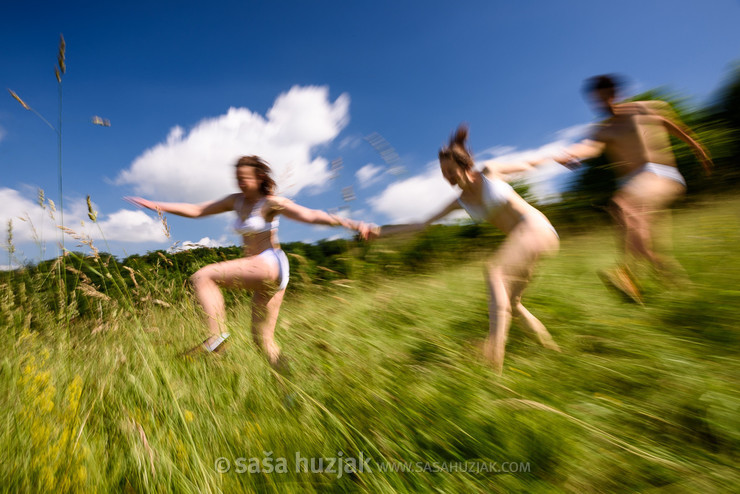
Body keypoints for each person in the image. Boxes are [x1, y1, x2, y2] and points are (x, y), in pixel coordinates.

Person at [126, 155, 373, 364]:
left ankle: (217, 336)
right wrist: (158, 205)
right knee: (262, 340)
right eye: (238, 179)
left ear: (259, 178)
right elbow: (198, 210)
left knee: (203, 276)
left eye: (246, 178)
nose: (241, 183)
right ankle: (290, 394)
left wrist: (353, 224)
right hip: (267, 271)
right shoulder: (236, 201)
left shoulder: (271, 202)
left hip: (270, 262)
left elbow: (310, 216)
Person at [377, 125, 560, 375]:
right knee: (514, 304)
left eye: (448, 170)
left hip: (537, 228)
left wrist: (560, 157)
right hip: (525, 243)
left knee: (494, 270)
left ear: (464, 164)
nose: (446, 177)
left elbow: (528, 164)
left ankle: (494, 355)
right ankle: (554, 353)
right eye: (442, 173)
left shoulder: (490, 172)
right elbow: (421, 224)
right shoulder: (460, 201)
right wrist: (378, 232)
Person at [533, 74, 713, 302]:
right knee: (645, 244)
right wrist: (571, 154)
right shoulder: (604, 130)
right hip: (634, 184)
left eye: (606, 97)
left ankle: (628, 274)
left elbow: (669, 124)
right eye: (597, 100)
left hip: (660, 173)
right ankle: (677, 289)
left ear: (615, 93)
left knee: (621, 204)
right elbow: (590, 148)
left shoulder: (642, 109)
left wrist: (696, 147)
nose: (603, 104)